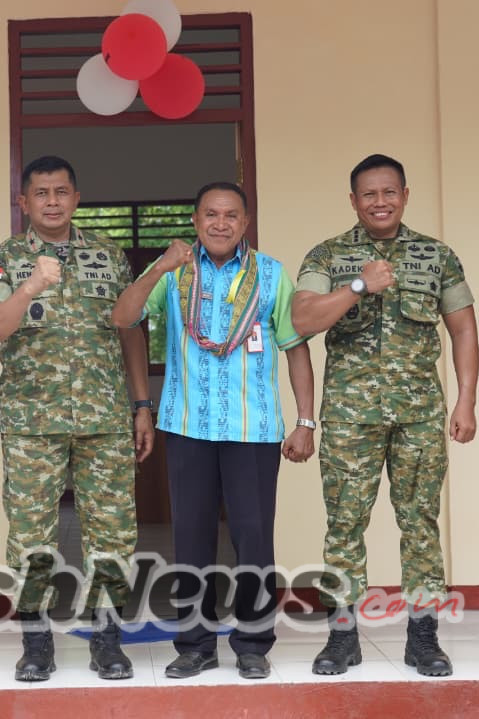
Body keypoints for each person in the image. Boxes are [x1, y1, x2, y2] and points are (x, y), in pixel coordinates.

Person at [111, 181, 316, 681]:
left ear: (245, 223)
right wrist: (158, 266)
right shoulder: (175, 273)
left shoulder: (271, 274)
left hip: (255, 429)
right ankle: (196, 644)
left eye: (230, 215)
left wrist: (306, 420)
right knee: (193, 538)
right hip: (188, 425)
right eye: (210, 215)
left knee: (252, 537)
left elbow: (295, 346)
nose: (220, 223)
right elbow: (122, 316)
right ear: (196, 221)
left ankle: (252, 643)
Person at [291, 154, 479, 678]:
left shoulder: (436, 256)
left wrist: (466, 399)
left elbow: (463, 329)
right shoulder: (328, 255)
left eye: (389, 192)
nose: (380, 202)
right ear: (353, 200)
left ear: (405, 194)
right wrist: (357, 287)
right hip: (351, 418)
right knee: (344, 525)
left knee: (420, 523)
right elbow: (302, 318)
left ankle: (424, 639)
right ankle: (342, 637)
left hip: (419, 414)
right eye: (369, 194)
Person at [0, 155, 153, 682]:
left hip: (106, 416)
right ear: (23, 202)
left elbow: (130, 332)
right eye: (41, 193)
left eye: (61, 192)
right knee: (31, 534)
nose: (52, 202)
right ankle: (36, 642)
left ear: (76, 198)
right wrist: (30, 285)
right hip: (31, 420)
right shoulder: (1, 258)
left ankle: (108, 638)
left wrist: (142, 405)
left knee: (113, 532)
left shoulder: (109, 254)